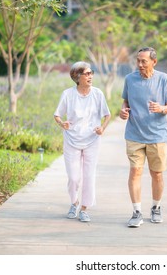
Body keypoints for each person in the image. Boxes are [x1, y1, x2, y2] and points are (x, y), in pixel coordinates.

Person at [120, 47, 167, 227]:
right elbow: (125, 101)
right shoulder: (130, 79)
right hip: (134, 134)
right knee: (135, 171)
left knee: (157, 174)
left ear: (154, 61)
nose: (140, 64)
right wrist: (123, 111)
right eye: (138, 60)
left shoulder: (164, 80)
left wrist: (161, 109)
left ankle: (156, 207)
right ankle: (137, 212)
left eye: (144, 61)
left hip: (157, 135)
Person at [54, 61, 111, 222]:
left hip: (92, 140)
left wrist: (102, 129)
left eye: (91, 73)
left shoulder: (98, 94)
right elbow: (57, 115)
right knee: (73, 177)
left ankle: (84, 209)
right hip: (72, 139)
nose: (90, 76)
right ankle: (74, 203)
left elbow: (107, 115)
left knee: (89, 176)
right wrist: (62, 123)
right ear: (77, 76)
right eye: (86, 74)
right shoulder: (67, 94)